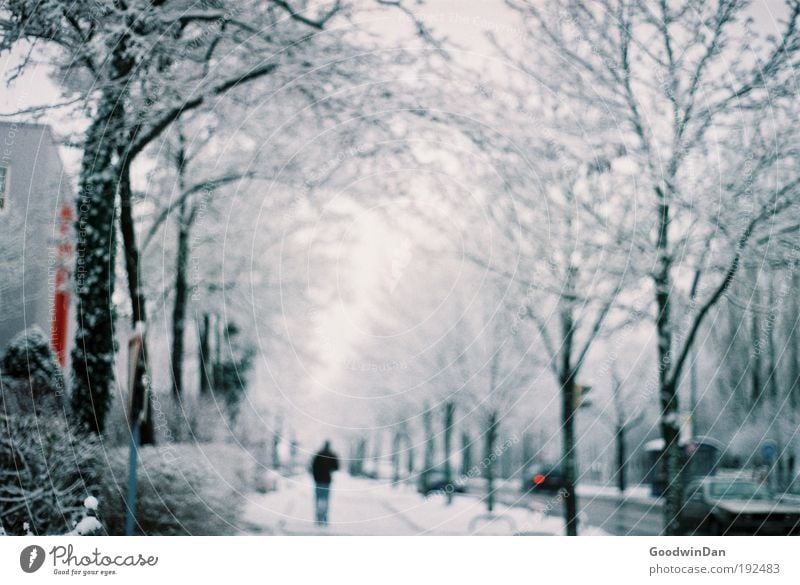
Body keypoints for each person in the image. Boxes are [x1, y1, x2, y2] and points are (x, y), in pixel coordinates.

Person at [311, 441, 339, 525]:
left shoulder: (318, 454)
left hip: (318, 481)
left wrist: (315, 477)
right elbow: (337, 467)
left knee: (318, 499)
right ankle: (325, 518)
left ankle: (318, 518)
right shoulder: (332, 455)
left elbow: (313, 467)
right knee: (326, 500)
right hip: (327, 481)